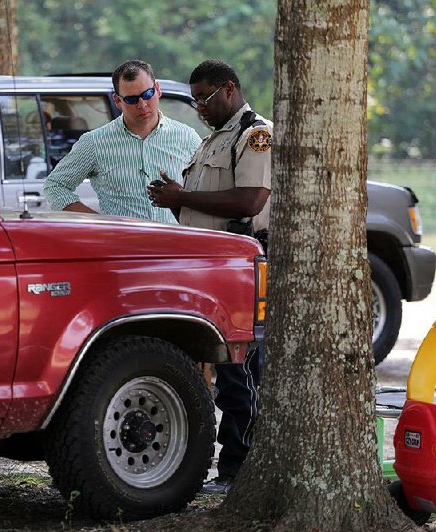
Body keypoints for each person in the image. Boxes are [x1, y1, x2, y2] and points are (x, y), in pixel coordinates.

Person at [148, 59, 272, 495]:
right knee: (223, 372)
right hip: (209, 266)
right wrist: (173, 199)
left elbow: (250, 201)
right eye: (194, 98)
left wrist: (183, 195)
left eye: (204, 97)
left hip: (240, 263)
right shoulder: (212, 141)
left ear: (230, 90)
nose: (198, 106)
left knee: (243, 372)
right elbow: (203, 207)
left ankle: (239, 469)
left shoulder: (254, 134)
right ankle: (231, 465)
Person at [43, 59, 201, 223]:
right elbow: (55, 186)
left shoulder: (187, 137)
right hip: (122, 244)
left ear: (158, 90)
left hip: (177, 242)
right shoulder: (95, 143)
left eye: (147, 94)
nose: (142, 104)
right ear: (118, 101)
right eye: (132, 100)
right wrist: (100, 223)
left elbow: (206, 190)